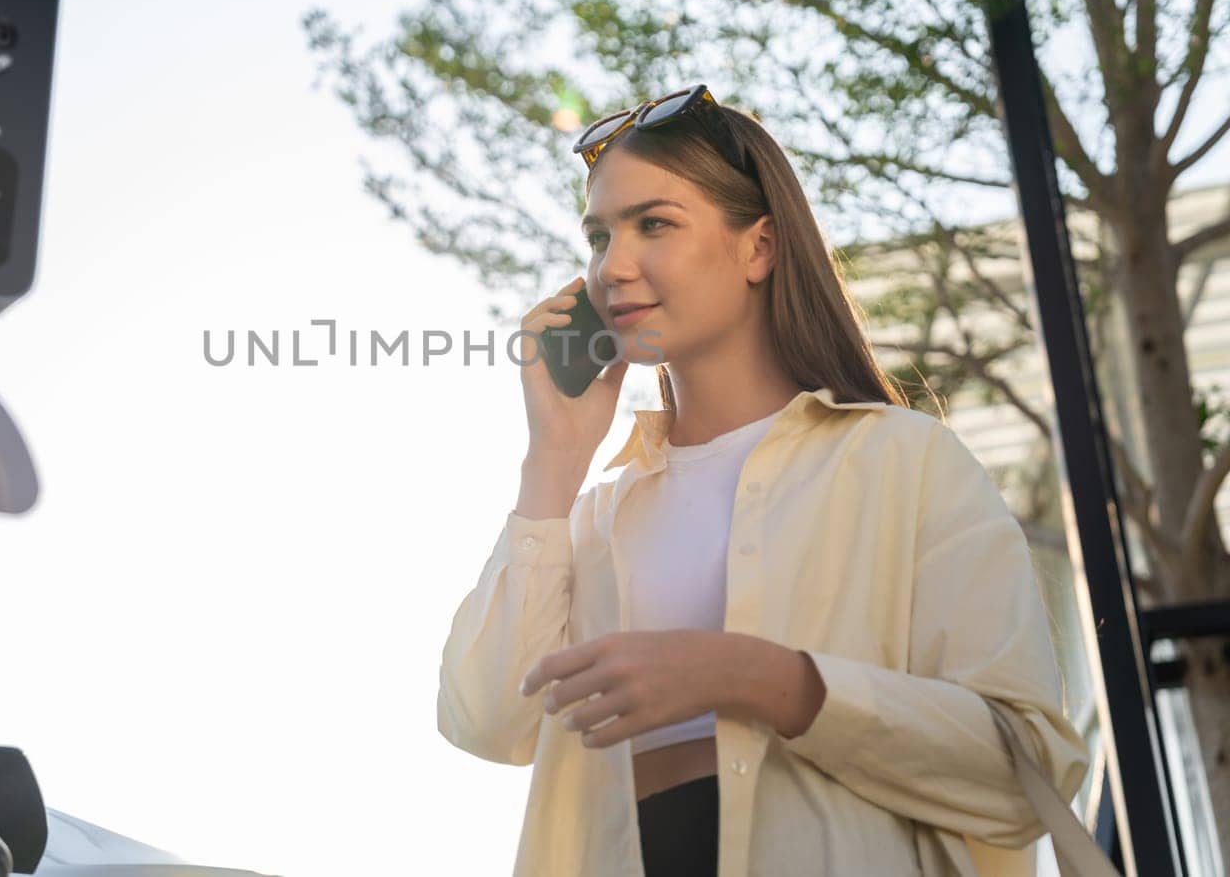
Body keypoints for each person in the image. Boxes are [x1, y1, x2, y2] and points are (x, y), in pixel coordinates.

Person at [435, 85, 1091, 876]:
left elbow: (1024, 773)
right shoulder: (595, 516)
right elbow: (485, 719)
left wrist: (756, 678)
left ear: (760, 248)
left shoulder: (906, 461)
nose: (613, 264)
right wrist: (554, 460)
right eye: (598, 235)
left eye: (654, 223)